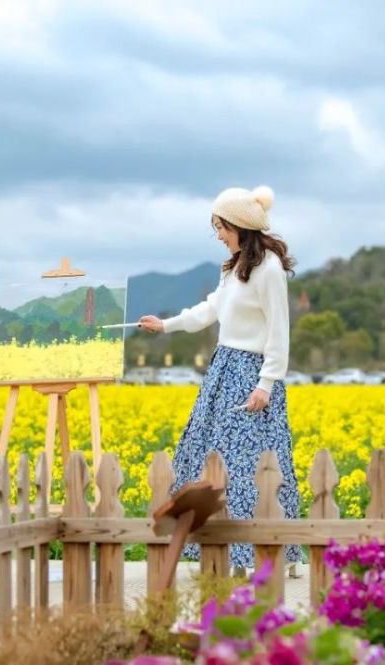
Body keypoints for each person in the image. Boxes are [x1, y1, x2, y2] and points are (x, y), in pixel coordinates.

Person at [139, 185, 304, 576]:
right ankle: (222, 550)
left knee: (254, 463)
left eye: (221, 227)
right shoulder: (232, 268)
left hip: (252, 374)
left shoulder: (269, 271)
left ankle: (274, 553)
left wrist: (266, 384)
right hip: (223, 369)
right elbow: (211, 310)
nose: (218, 235)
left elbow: (279, 332)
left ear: (240, 227)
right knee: (209, 455)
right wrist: (167, 325)